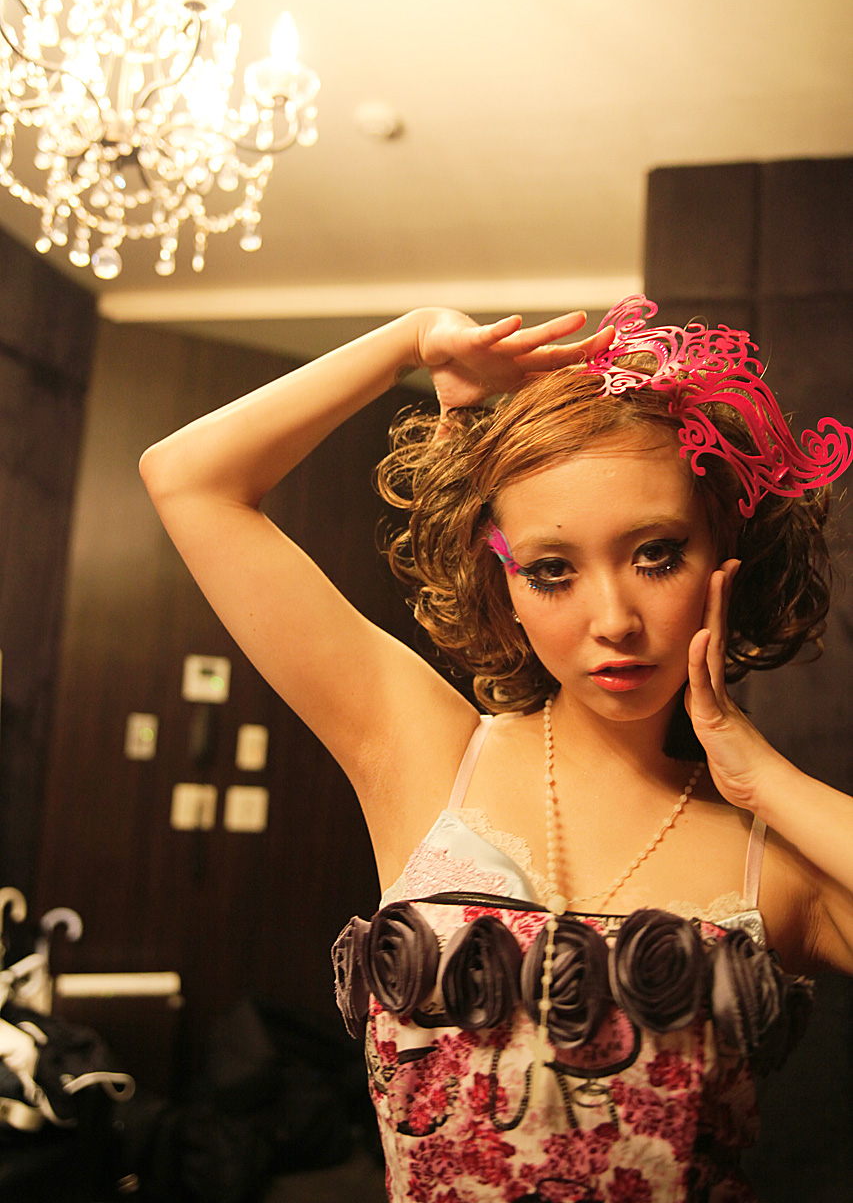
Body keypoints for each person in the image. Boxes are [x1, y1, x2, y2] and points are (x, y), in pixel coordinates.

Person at [141, 295, 853, 1202]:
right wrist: (408, 340)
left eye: (655, 554)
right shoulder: (424, 754)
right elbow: (188, 479)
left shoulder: (778, 859)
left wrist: (762, 777)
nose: (613, 620)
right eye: (551, 570)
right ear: (502, 583)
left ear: (722, 557)